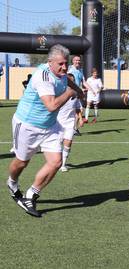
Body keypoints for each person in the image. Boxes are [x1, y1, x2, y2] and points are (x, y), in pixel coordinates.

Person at [6, 44, 83, 217]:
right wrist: (71, 92)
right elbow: (51, 105)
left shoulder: (61, 73)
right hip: (27, 124)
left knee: (56, 161)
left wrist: (78, 90)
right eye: (61, 64)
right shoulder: (43, 76)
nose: (64, 67)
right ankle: (12, 183)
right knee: (22, 162)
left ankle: (31, 195)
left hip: (50, 126)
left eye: (66, 63)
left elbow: (66, 80)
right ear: (50, 63)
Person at [57, 73, 82, 172]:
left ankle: (63, 164)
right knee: (58, 144)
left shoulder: (75, 95)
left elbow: (77, 108)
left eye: (72, 81)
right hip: (58, 122)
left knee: (68, 142)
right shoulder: (58, 92)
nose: (70, 83)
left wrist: (80, 118)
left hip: (70, 122)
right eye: (68, 81)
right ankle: (57, 163)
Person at [68, 55, 91, 134]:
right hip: (71, 93)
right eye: (76, 60)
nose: (77, 62)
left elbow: (83, 82)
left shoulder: (80, 70)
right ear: (73, 61)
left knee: (79, 110)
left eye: (78, 60)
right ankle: (71, 129)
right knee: (72, 111)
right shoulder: (70, 70)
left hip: (77, 93)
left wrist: (91, 89)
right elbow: (69, 81)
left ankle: (74, 128)